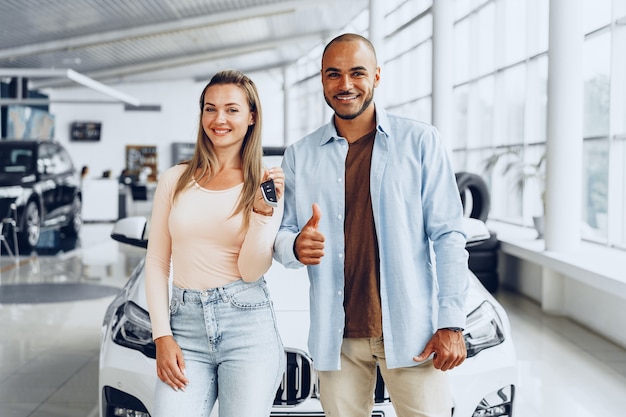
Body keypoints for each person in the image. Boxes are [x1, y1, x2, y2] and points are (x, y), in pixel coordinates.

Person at [273, 33, 469, 417]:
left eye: (357, 73)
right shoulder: (300, 154)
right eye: (334, 74)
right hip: (336, 339)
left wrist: (451, 323)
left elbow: (448, 236)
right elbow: (281, 233)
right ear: (322, 80)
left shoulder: (420, 142)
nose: (345, 85)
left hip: (414, 333)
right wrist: (294, 246)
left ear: (376, 77)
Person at [145, 69, 285, 417]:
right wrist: (162, 336)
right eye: (210, 108)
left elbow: (251, 270)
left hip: (247, 326)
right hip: (185, 325)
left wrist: (261, 213)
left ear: (252, 117)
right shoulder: (175, 179)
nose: (218, 119)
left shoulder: (266, 183)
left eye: (231, 109)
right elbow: (157, 262)